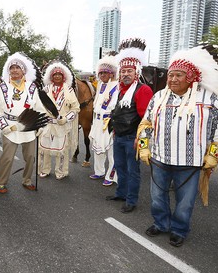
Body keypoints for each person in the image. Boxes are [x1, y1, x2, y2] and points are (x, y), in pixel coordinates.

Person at [137, 43, 218, 247]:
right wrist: (144, 147)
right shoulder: (159, 97)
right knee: (157, 196)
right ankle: (161, 223)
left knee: (185, 202)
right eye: (171, 75)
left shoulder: (209, 98)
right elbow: (146, 123)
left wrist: (213, 153)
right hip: (160, 157)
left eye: (178, 75)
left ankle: (179, 229)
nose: (172, 79)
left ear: (190, 77)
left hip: (191, 162)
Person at [105, 38, 153, 213]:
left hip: (133, 138)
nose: (125, 74)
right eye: (123, 71)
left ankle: (131, 200)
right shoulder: (120, 90)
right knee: (120, 166)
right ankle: (121, 193)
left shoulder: (143, 90)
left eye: (129, 71)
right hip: (119, 136)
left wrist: (141, 142)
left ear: (136, 72)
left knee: (133, 171)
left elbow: (146, 119)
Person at [0, 52, 46, 194]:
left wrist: (40, 126)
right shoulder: (3, 87)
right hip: (10, 127)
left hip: (28, 126)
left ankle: (27, 180)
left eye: (18, 67)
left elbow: (39, 108)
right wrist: (4, 126)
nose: (15, 70)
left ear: (23, 70)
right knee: (7, 158)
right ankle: (1, 183)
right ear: (8, 71)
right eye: (12, 67)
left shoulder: (32, 87)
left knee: (30, 157)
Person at [38, 61, 80, 180]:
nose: (57, 76)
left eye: (59, 75)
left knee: (62, 149)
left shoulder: (69, 91)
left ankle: (61, 171)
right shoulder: (45, 90)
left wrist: (66, 119)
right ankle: (44, 169)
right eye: (55, 74)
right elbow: (38, 106)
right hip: (47, 124)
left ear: (63, 76)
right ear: (51, 76)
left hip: (61, 124)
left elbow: (76, 108)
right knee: (43, 148)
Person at [88, 54, 118, 186]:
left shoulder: (117, 86)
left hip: (109, 121)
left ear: (111, 73)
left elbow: (114, 105)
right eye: (100, 73)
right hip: (97, 121)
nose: (102, 75)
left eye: (105, 73)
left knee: (111, 150)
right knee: (97, 148)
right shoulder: (100, 85)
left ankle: (111, 176)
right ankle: (99, 171)